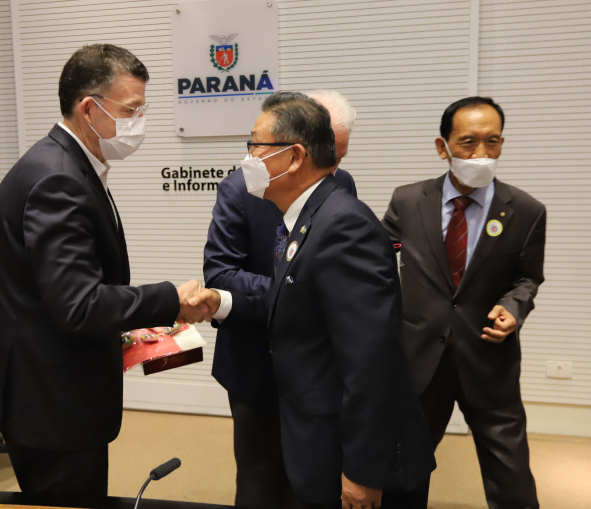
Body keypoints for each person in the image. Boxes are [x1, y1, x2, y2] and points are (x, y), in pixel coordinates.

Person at [0, 44, 209, 504]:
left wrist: (128, 320)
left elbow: (63, 289)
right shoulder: (57, 179)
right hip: (51, 401)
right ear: (89, 107)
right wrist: (168, 300)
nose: (138, 122)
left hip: (52, 378)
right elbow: (78, 305)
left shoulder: (70, 164)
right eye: (131, 110)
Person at [193, 92, 435, 509]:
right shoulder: (308, 215)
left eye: (256, 145)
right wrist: (220, 300)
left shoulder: (342, 226)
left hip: (342, 434)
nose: (248, 156)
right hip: (300, 404)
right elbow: (294, 291)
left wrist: (364, 469)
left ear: (294, 157)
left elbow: (371, 363)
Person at [381, 97, 545, 509]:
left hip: (489, 357)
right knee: (406, 469)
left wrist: (515, 307)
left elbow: (528, 278)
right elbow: (379, 258)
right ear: (443, 147)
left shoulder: (525, 211)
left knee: (511, 476)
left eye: (492, 142)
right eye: (468, 142)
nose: (481, 154)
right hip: (419, 357)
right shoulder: (408, 201)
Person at [202, 90, 357, 508]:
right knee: (259, 479)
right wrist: (299, 293)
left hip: (316, 368)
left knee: (309, 478)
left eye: (339, 154)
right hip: (255, 361)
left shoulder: (340, 184)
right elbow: (220, 275)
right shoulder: (239, 188)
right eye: (327, 151)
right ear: (298, 150)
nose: (332, 165)